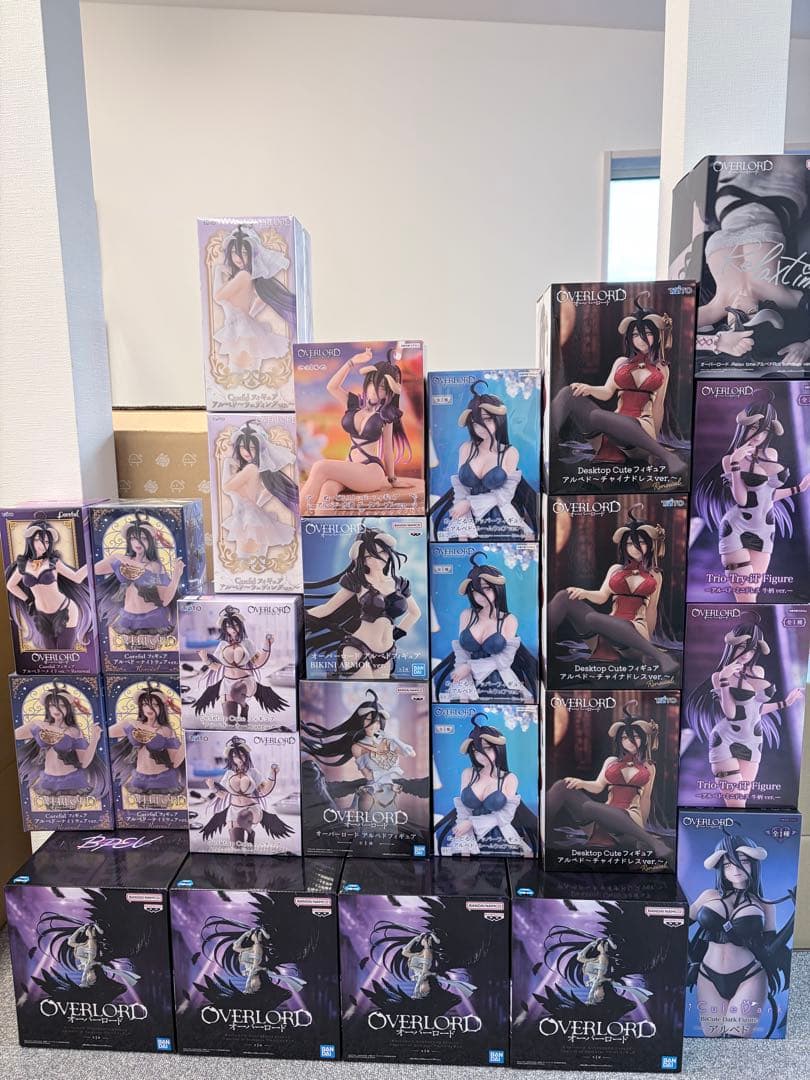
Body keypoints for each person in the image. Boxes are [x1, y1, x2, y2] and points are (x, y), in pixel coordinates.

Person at [550, 297, 688, 482]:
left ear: (657, 335)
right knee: (569, 393)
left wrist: (651, 443)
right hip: (610, 428)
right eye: (636, 335)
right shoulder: (621, 362)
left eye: (647, 333)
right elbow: (607, 392)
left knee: (598, 416)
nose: (641, 339)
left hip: (641, 433)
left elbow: (659, 406)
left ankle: (667, 456)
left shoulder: (662, 368)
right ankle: (548, 445)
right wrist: (589, 389)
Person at [692, 393, 810, 603]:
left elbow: (767, 495)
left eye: (764, 430)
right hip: (736, 529)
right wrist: (736, 465)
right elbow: (742, 500)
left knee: (751, 597)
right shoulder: (730, 459)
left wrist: (798, 489)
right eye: (754, 427)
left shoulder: (771, 454)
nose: (758, 435)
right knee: (745, 598)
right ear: (744, 426)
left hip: (765, 531)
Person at [546, 504, 679, 677]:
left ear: (650, 544)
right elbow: (602, 596)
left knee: (593, 618)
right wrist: (584, 592)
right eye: (629, 543)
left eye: (641, 542)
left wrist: (646, 645)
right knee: (564, 596)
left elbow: (651, 609)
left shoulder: (655, 575)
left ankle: (659, 656)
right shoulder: (615, 569)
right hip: (605, 632)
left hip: (634, 638)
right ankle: (539, 639)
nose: (634, 548)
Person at [684, 616, 804, 809]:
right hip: (726, 740)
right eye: (742, 647)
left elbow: (755, 710)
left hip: (753, 742)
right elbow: (731, 713)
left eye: (753, 649)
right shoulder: (719, 676)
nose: (747, 654)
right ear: (732, 646)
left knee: (741, 803)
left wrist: (785, 703)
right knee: (736, 803)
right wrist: (724, 680)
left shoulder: (758, 671)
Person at [687, 830, 795, 1038]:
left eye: (743, 862)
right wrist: (692, 962)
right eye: (728, 864)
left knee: (736, 1039)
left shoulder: (765, 904)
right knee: (712, 1037)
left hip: (750, 976)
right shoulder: (708, 896)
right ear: (721, 868)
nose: (735, 870)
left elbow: (771, 948)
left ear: (753, 864)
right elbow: (676, 926)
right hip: (707, 976)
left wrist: (794, 919)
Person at [545, 703, 670, 859]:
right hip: (601, 816)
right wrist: (581, 783)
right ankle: (540, 831)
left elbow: (645, 798)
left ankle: (652, 842)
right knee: (562, 786)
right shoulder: (611, 761)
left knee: (590, 807)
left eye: (635, 736)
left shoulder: (648, 767)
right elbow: (598, 786)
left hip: (629, 821)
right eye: (624, 737)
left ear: (644, 739)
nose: (629, 741)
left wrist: (640, 831)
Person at [299, 349, 414, 514]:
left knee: (319, 466)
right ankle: (318, 528)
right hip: (350, 467)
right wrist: (351, 362)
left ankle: (297, 521)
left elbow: (388, 450)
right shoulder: (353, 404)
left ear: (388, 391)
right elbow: (332, 387)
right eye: (371, 383)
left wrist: (392, 479)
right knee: (327, 489)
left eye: (382, 388)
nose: (374, 390)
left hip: (370, 471)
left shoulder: (386, 414)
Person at [305, 526, 421, 679]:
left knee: (380, 690)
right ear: (362, 559)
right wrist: (299, 617)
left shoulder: (400, 583)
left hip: (386, 652)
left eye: (381, 552)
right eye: (369, 556)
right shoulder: (357, 581)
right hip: (357, 648)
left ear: (388, 552)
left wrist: (395, 635)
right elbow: (327, 608)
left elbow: (415, 613)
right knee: (363, 687)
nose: (377, 560)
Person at [430, 379, 537, 540]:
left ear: (498, 419)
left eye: (487, 419)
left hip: (499, 521)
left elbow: (504, 494)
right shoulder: (466, 448)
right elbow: (461, 489)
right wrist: (461, 524)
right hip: (466, 517)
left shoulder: (509, 452)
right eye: (475, 422)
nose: (480, 427)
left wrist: (470, 503)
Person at [432, 552, 538, 703]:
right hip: (466, 680)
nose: (480, 595)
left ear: (497, 588)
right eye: (475, 591)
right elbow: (461, 652)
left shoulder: (508, 620)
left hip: (499, 683)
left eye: (486, 589)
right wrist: (463, 683)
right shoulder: (467, 615)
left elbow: (504, 659)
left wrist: (470, 667)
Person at [435, 713, 537, 856]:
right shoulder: (468, 774)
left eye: (487, 748)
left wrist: (472, 823)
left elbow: (505, 816)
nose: (481, 755)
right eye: (476, 751)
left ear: (498, 748)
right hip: (468, 834)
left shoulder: (509, 778)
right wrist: (464, 839)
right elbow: (463, 810)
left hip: (500, 838)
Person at [212, 223, 296, 373]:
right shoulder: (248, 276)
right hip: (244, 329)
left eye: (244, 253)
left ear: (252, 255)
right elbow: (262, 298)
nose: (238, 257)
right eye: (234, 252)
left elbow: (218, 296)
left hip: (242, 332)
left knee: (238, 376)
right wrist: (249, 315)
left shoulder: (244, 275)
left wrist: (218, 271)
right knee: (247, 374)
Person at [15, 682, 107, 808]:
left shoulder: (73, 731)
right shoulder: (40, 726)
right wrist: (34, 723)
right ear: (47, 707)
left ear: (68, 708)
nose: (56, 710)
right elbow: (16, 735)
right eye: (52, 705)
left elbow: (84, 762)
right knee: (53, 815)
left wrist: (95, 739)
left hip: (71, 781)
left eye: (62, 706)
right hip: (47, 781)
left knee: (70, 814)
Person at [94, 512, 184, 641]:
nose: (138, 542)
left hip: (152, 618)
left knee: (151, 650)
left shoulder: (154, 566)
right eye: (133, 538)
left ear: (151, 541)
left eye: (144, 538)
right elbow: (94, 570)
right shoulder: (123, 561)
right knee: (129, 650)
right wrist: (114, 557)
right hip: (127, 618)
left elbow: (165, 600)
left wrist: (176, 576)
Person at [5, 521, 93, 651]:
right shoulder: (23, 565)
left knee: (65, 653)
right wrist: (28, 600)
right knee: (50, 653)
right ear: (30, 541)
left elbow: (77, 577)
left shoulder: (53, 562)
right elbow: (11, 585)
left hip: (65, 609)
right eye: (38, 540)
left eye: (46, 542)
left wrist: (91, 563)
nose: (42, 545)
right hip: (41, 614)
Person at [108, 682, 185, 807]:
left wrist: (186, 740)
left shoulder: (166, 730)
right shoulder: (133, 724)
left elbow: (175, 762)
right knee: (142, 813)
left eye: (155, 704)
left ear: (161, 707)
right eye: (145, 704)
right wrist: (127, 722)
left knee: (159, 813)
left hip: (162, 780)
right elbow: (108, 733)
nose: (149, 709)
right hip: (139, 779)